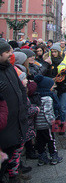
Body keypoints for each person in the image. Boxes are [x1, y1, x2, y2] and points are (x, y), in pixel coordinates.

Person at [0, 41, 27, 183]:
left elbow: (20, 88)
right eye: (7, 51)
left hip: (16, 119)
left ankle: (12, 174)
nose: (11, 53)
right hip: (4, 124)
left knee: (12, 152)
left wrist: (24, 105)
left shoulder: (9, 68)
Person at [34, 75, 63, 166]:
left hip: (38, 125)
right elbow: (48, 112)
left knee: (40, 141)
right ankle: (54, 156)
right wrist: (52, 122)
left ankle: (42, 158)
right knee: (51, 140)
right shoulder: (48, 98)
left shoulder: (35, 96)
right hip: (47, 125)